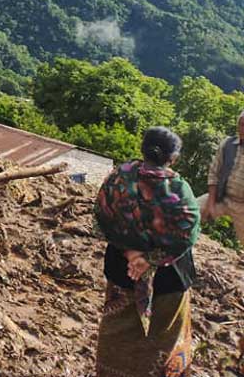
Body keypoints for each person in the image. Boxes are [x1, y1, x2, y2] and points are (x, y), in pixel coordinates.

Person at [93, 127, 199, 377]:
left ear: (143, 149)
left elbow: (100, 219)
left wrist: (131, 254)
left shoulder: (118, 177)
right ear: (173, 158)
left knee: (117, 333)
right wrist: (149, 260)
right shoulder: (177, 189)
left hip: (123, 271)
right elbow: (188, 233)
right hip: (169, 278)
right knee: (166, 338)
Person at [199, 110, 244, 241]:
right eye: (241, 124)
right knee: (190, 212)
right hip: (221, 198)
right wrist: (211, 203)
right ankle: (170, 247)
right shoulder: (227, 144)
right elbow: (213, 173)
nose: (242, 128)